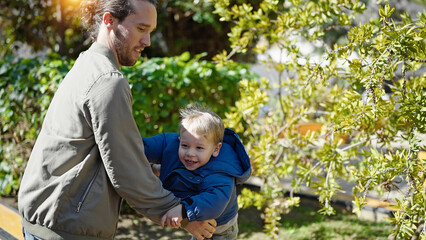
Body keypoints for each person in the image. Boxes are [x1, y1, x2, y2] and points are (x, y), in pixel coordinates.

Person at [17, 0, 216, 239]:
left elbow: (97, 151)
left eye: (150, 32)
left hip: (47, 220)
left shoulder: (87, 63)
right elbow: (126, 170)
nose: (147, 41)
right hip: (64, 228)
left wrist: (152, 170)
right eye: (141, 29)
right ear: (109, 21)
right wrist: (181, 215)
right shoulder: (108, 81)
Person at [142, 105, 252, 240]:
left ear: (216, 149)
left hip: (220, 228)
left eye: (199, 148)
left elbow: (215, 202)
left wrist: (183, 210)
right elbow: (139, 147)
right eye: (185, 146)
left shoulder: (221, 172)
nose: (190, 153)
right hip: (197, 216)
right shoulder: (170, 144)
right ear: (179, 140)